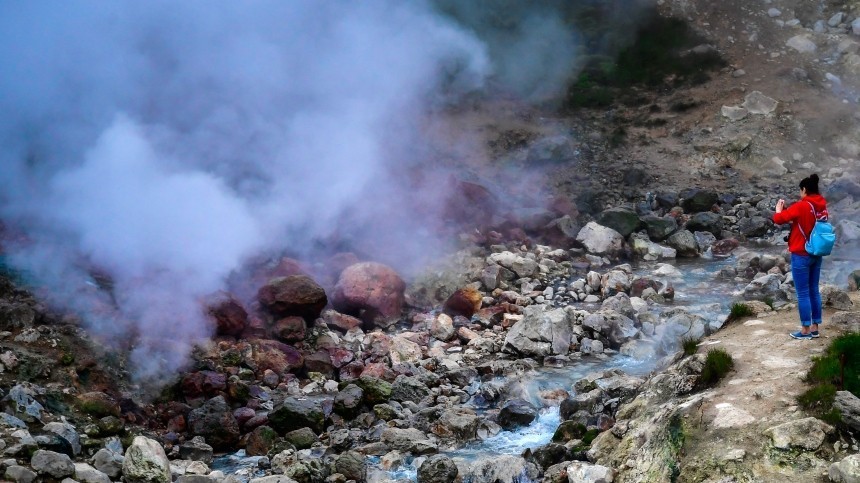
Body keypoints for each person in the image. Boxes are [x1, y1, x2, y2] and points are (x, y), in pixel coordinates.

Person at [773, 174, 829, 340]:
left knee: (803, 293)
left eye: (800, 190)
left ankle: (804, 330)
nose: (800, 194)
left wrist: (778, 210)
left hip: (801, 253)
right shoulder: (822, 205)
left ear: (804, 189)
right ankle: (815, 327)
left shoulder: (802, 205)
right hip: (816, 252)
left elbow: (780, 219)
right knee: (814, 291)